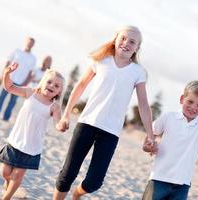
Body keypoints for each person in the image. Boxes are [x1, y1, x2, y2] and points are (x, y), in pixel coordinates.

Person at [53, 25, 155, 200]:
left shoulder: (138, 72)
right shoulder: (101, 61)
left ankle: (76, 194)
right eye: (123, 38)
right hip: (87, 124)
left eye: (132, 42)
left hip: (111, 132)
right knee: (67, 174)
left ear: (137, 48)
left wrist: (150, 134)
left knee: (95, 181)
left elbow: (144, 105)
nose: (126, 43)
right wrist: (65, 115)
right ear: (115, 39)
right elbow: (80, 86)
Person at [0, 63, 65, 200]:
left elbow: (57, 123)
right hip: (15, 141)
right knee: (5, 172)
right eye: (49, 82)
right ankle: (7, 181)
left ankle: (7, 197)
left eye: (56, 86)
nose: (51, 86)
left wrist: (62, 125)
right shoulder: (30, 92)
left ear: (59, 92)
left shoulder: (54, 107)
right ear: (42, 81)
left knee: (17, 175)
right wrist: (6, 74)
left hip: (32, 147)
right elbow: (9, 87)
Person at [0, 37, 36, 121]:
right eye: (28, 42)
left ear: (33, 45)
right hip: (8, 79)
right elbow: (7, 63)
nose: (29, 44)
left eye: (31, 43)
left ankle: (5, 118)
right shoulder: (17, 51)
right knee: (1, 98)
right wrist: (3, 74)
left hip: (20, 83)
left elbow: (30, 73)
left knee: (12, 102)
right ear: (25, 42)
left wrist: (25, 83)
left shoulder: (33, 58)